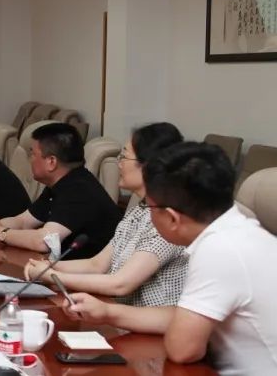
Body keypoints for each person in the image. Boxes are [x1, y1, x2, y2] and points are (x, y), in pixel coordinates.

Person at [63, 142, 277, 374]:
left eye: (150, 209)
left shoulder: (219, 249)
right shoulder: (237, 231)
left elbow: (183, 349)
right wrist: (107, 312)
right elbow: (185, 315)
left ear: (172, 218)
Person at [24, 122, 187, 307]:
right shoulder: (139, 211)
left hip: (145, 320)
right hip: (117, 311)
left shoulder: (169, 221)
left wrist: (53, 275)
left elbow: (120, 284)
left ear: (148, 166)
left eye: (124, 156)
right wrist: (48, 266)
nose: (119, 163)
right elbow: (97, 265)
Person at [0, 122, 122, 259]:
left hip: (88, 276)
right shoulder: (61, 183)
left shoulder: (80, 190)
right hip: (61, 268)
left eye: (32, 154)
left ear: (51, 162)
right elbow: (24, 221)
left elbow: (45, 241)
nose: (29, 159)